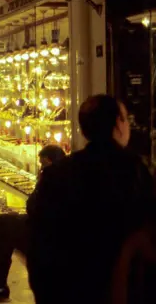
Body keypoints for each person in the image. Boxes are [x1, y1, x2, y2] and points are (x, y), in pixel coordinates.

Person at [27, 95, 155, 304]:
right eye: (125, 119)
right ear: (118, 124)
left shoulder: (58, 173)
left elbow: (40, 240)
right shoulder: (139, 172)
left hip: (70, 287)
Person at [0, 145, 66, 299]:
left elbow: (33, 207)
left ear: (48, 161)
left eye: (42, 163)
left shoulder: (53, 179)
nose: (41, 167)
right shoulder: (62, 176)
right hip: (42, 224)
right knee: (3, 221)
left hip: (45, 231)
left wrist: (40, 184)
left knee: (6, 227)